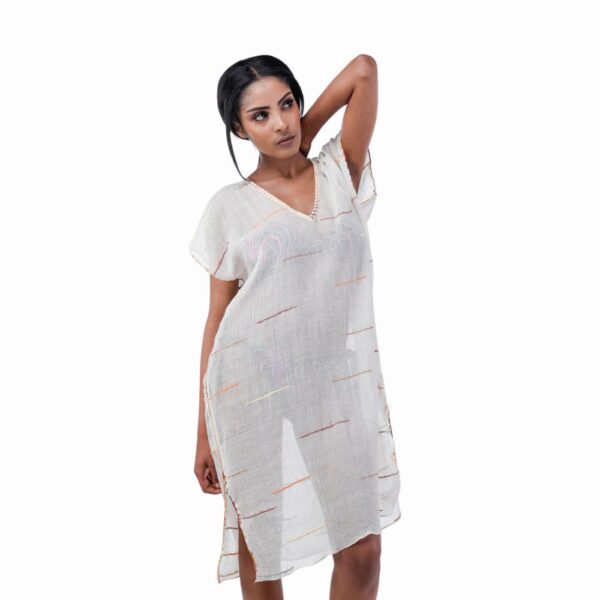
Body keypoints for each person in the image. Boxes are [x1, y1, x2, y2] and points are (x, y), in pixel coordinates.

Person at [189, 54, 401, 600]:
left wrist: (307, 131)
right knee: (264, 547)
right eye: (260, 116)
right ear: (238, 129)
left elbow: (363, 70)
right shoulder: (229, 208)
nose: (280, 123)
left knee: (362, 549)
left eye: (287, 105)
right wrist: (203, 433)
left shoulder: (337, 172)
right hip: (247, 385)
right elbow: (217, 318)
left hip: (331, 381)